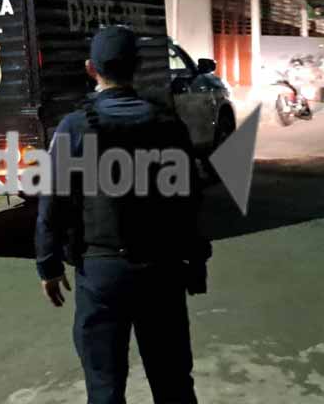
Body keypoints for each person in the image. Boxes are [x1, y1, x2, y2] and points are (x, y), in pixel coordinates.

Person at [36, 26, 209, 404]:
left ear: (90, 69)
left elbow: (53, 204)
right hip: (162, 271)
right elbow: (190, 203)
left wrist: (48, 266)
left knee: (104, 385)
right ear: (138, 67)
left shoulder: (74, 127)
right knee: (174, 382)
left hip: (101, 273)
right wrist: (196, 261)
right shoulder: (168, 124)